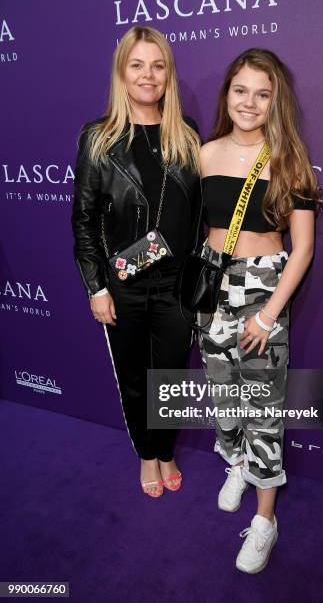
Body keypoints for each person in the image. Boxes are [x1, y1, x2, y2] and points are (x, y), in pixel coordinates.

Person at [198, 48, 321, 573]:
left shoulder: (289, 158)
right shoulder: (202, 154)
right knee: (225, 398)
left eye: (262, 94)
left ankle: (266, 520)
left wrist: (268, 314)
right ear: (228, 93)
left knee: (263, 410)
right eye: (241, 90)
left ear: (276, 101)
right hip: (210, 285)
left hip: (262, 287)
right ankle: (238, 464)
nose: (250, 102)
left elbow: (304, 249)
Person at [72, 26, 201, 498]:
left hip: (175, 287)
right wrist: (96, 286)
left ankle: (165, 449)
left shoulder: (187, 139)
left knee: (170, 378)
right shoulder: (98, 139)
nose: (148, 75)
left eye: (158, 65)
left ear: (168, 74)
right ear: (122, 74)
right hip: (123, 285)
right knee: (134, 380)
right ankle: (148, 456)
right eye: (137, 65)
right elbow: (83, 220)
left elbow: (200, 216)